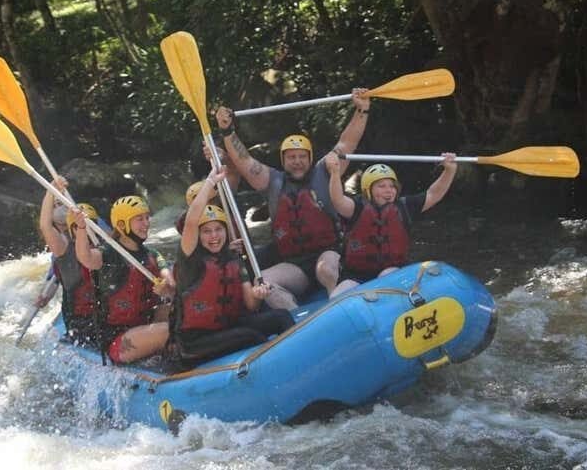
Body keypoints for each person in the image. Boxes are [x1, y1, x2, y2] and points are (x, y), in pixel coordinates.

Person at [214, 89, 371, 309]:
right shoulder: (272, 181)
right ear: (283, 160)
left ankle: (340, 310)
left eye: (301, 156)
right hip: (294, 265)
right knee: (264, 282)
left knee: (327, 269)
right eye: (291, 157)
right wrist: (227, 130)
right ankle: (298, 321)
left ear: (310, 158)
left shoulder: (325, 172)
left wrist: (362, 110)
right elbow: (244, 160)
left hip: (328, 254)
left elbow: (347, 143)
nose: (297, 161)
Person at [168, 165, 294, 369]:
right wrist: (210, 181)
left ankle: (297, 361)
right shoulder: (190, 260)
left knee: (281, 316)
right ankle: (276, 370)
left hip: (227, 326)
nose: (214, 236)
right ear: (198, 235)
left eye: (218, 229)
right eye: (206, 231)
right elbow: (191, 222)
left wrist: (258, 294)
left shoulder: (232, 258)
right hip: (195, 342)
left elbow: (251, 305)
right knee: (252, 337)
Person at [325, 153, 458, 297]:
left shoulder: (405, 207)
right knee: (337, 295)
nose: (389, 190)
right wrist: (335, 172)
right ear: (368, 190)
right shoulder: (356, 208)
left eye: (392, 186)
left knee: (387, 274)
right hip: (355, 276)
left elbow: (433, 194)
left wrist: (449, 170)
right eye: (381, 186)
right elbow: (338, 200)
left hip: (391, 271)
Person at [72, 195, 176, 364]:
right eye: (139, 219)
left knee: (185, 312)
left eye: (147, 218)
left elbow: (171, 284)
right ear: (121, 225)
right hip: (118, 338)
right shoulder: (108, 254)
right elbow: (86, 258)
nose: (146, 223)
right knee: (169, 330)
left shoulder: (152, 254)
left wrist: (167, 289)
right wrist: (82, 228)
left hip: (147, 322)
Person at [38, 176, 99, 345]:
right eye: (79, 228)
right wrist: (51, 190)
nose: (84, 231)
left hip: (109, 318)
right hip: (82, 324)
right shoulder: (63, 247)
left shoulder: (102, 244)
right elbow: (45, 226)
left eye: (88, 226)